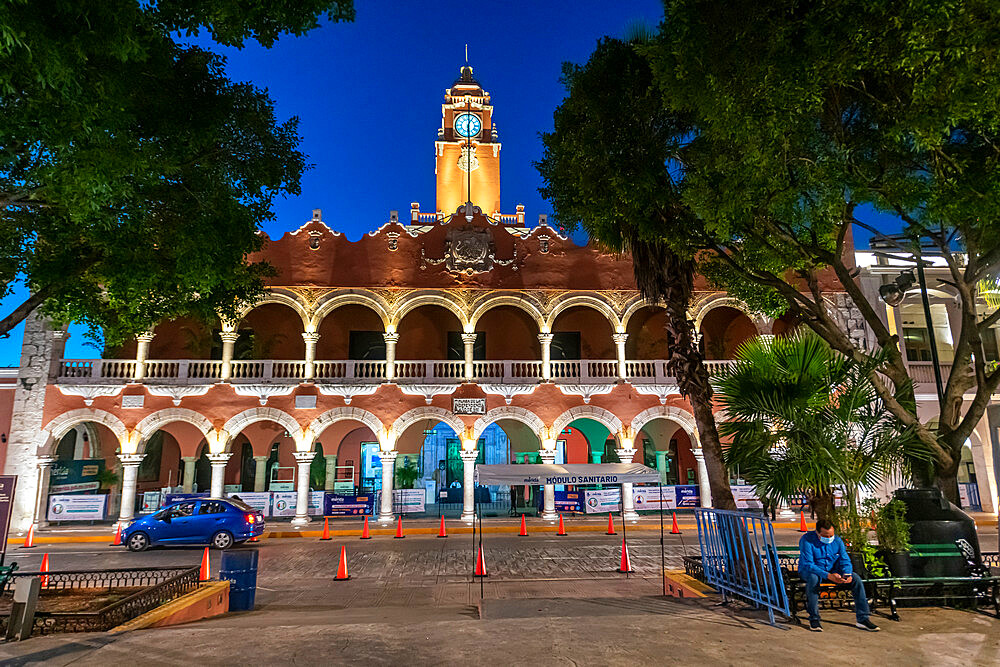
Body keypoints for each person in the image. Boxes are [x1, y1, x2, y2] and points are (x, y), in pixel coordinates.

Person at [798, 518, 879, 632]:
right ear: (817, 533)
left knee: (856, 579)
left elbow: (844, 559)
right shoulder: (806, 540)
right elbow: (809, 564)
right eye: (826, 536)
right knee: (813, 579)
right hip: (812, 571)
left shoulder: (837, 540)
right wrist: (828, 575)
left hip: (832, 571)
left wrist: (847, 574)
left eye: (831, 535)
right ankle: (814, 619)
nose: (829, 538)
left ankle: (863, 619)